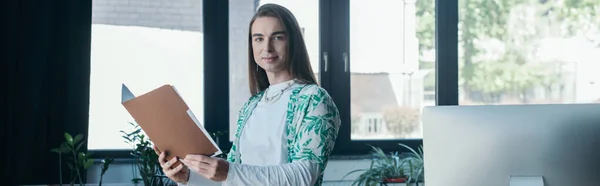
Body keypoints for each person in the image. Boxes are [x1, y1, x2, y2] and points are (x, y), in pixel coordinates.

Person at [155, 3, 341, 186]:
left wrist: (229, 171)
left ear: (293, 42)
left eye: (277, 37)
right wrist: (188, 177)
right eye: (258, 38)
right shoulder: (251, 106)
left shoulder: (314, 99)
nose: (267, 47)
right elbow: (230, 180)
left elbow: (304, 176)